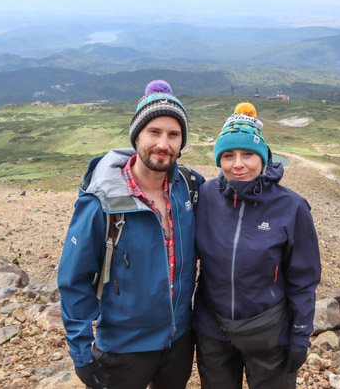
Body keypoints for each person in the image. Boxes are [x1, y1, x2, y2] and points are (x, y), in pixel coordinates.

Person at [58, 80, 205, 389]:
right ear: (137, 135)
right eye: (154, 132)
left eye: (173, 135)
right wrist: (81, 353)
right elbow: (74, 280)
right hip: (124, 350)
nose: (163, 144)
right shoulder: (101, 203)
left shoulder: (190, 188)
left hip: (178, 342)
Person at [193, 102, 321, 389]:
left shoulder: (292, 207)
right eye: (228, 155)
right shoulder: (205, 197)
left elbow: (304, 278)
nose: (238, 164)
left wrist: (300, 335)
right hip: (212, 330)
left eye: (248, 154)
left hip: (268, 334)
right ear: (219, 160)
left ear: (263, 156)